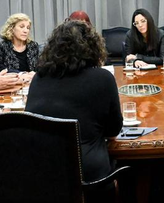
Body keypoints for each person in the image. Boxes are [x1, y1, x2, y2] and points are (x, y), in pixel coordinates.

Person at [26, 20, 122, 185]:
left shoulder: (38, 78)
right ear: (93, 48)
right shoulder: (103, 78)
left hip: (41, 180)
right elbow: (113, 129)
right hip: (89, 181)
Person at [0, 13, 40, 80]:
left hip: (31, 83)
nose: (25, 31)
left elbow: (39, 68)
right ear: (12, 28)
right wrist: (21, 75)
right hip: (11, 84)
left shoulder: (33, 46)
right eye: (21, 27)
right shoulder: (1, 46)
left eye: (28, 28)